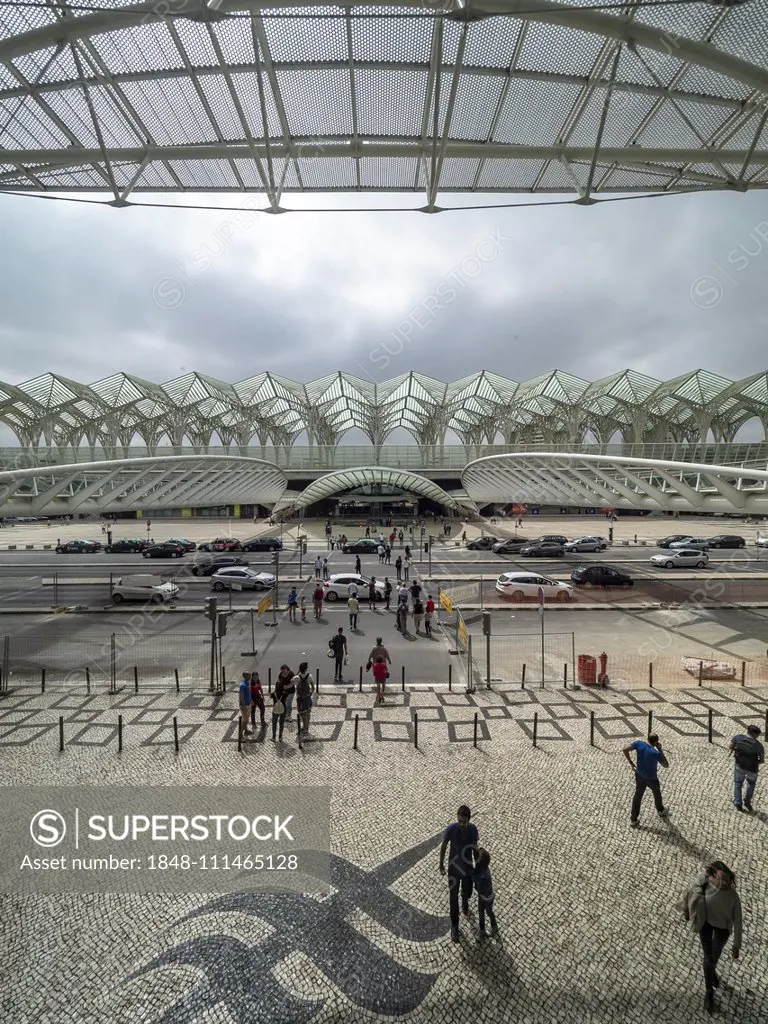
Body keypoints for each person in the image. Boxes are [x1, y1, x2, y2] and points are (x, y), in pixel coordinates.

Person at [684, 861, 742, 1013]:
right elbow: (689, 894)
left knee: (713, 958)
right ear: (714, 875)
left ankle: (712, 973)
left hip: (723, 928)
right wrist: (687, 910)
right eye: (722, 879)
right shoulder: (704, 884)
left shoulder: (733, 896)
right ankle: (709, 993)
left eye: (728, 880)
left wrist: (737, 944)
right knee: (708, 959)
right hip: (706, 924)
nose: (725, 883)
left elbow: (738, 921)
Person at [439, 805, 479, 943]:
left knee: (467, 891)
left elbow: (474, 847)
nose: (461, 823)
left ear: (469, 819)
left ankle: (465, 900)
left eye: (464, 821)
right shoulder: (451, 829)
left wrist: (478, 866)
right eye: (459, 820)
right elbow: (444, 845)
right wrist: (441, 864)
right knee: (452, 897)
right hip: (454, 869)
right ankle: (455, 924)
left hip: (467, 868)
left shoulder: (473, 829)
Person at [623, 733, 669, 827]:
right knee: (657, 793)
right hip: (652, 778)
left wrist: (631, 763)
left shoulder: (639, 744)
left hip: (639, 775)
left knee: (638, 796)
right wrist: (660, 749)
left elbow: (625, 750)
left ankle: (633, 819)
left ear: (648, 739)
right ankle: (660, 810)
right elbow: (666, 765)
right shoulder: (655, 753)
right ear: (656, 742)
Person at [729, 724, 764, 812]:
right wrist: (757, 762)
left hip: (739, 765)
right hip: (752, 768)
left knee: (737, 783)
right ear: (755, 734)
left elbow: (730, 746)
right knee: (751, 784)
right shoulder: (758, 746)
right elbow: (762, 759)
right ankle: (747, 801)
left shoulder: (738, 738)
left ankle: (738, 803)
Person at [472, 847, 498, 939]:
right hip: (482, 896)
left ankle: (494, 925)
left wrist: (472, 875)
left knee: (489, 911)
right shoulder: (483, 869)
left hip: (487, 897)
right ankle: (482, 928)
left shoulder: (483, 876)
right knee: (480, 912)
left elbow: (477, 886)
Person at [294, 661, 315, 735]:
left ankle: (305, 728)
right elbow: (313, 687)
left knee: (303, 714)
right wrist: (310, 694)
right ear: (306, 669)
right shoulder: (309, 676)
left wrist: (297, 673)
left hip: (300, 698)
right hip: (307, 697)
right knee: (308, 713)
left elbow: (292, 681)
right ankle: (306, 727)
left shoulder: (297, 677)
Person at [271, 673, 288, 742]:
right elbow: (286, 700)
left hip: (275, 709)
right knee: (281, 723)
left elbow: (271, 697)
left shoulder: (273, 694)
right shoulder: (285, 694)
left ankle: (273, 737)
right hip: (283, 708)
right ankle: (280, 737)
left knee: (274, 723)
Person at [238, 671, 253, 736]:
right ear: (245, 676)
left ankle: (246, 730)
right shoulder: (242, 685)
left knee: (246, 718)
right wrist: (244, 706)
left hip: (248, 703)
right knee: (245, 720)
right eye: (249, 675)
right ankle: (240, 734)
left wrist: (251, 700)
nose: (250, 677)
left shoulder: (248, 683)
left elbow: (249, 693)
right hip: (244, 705)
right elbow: (241, 696)